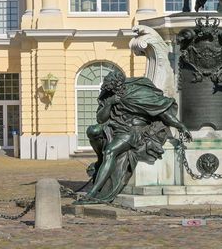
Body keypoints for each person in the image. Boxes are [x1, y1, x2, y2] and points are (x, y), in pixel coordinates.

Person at [74, 69, 191, 204]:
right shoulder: (109, 96)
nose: (109, 91)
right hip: (114, 126)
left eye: (112, 88)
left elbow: (163, 112)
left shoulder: (138, 93)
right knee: (93, 130)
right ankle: (101, 163)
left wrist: (181, 126)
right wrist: (109, 103)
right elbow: (101, 119)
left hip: (132, 131)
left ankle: (93, 192)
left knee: (110, 151)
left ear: (119, 85)